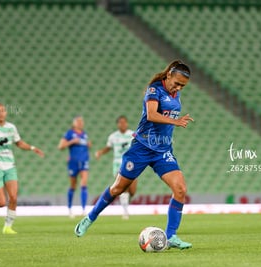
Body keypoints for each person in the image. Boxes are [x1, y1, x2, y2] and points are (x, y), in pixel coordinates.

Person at [75, 60, 194, 249]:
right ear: (169, 75)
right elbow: (151, 115)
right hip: (141, 148)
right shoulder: (154, 90)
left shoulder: (175, 94)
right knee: (117, 189)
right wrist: (176, 121)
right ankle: (90, 218)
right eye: (177, 83)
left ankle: (171, 236)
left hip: (162, 150)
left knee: (180, 189)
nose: (178, 87)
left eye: (182, 86)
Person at [0, 102, 44, 234]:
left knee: (13, 197)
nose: (2, 113)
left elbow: (19, 143)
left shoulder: (11, 128)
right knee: (1, 203)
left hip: (9, 166)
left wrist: (33, 148)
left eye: (4, 110)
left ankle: (8, 227)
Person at [95, 115, 136, 220]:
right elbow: (108, 148)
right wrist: (100, 152)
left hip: (132, 163)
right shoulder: (113, 136)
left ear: (127, 123)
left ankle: (125, 203)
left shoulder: (132, 134)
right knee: (124, 187)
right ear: (117, 124)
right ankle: (125, 211)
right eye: (120, 122)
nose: (122, 124)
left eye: (124, 122)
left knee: (132, 190)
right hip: (118, 163)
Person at [58, 116, 91, 218]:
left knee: (84, 183)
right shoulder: (69, 133)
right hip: (73, 162)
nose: (81, 123)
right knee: (73, 185)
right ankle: (69, 208)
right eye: (78, 121)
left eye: (82, 121)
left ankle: (84, 209)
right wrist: (72, 142)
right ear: (74, 123)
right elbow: (61, 146)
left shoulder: (84, 134)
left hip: (84, 161)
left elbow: (85, 146)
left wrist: (88, 145)